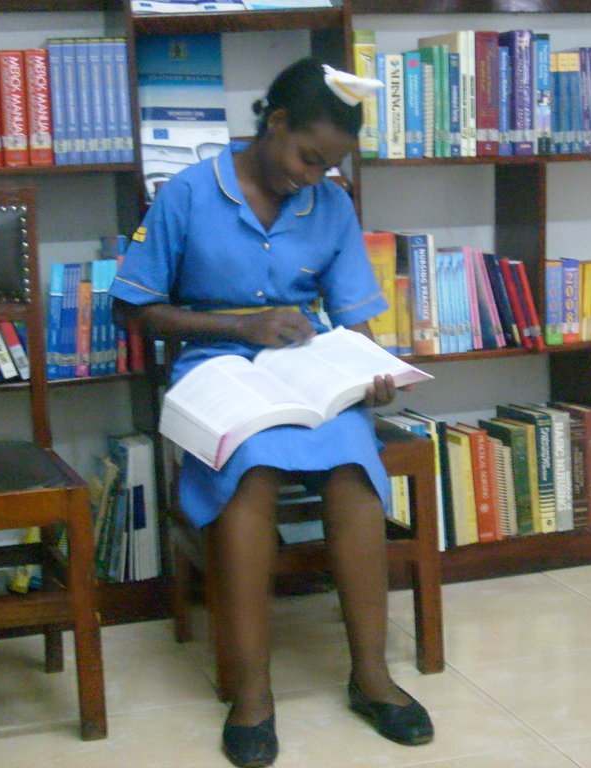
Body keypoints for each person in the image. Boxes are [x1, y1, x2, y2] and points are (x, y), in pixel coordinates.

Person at [109, 57, 433, 767]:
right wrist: (240, 326)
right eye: (306, 157)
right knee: (250, 470)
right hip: (214, 369)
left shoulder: (334, 205)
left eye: (329, 166)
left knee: (353, 466)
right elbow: (133, 308)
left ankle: (371, 677)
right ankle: (252, 694)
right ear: (274, 123)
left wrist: (370, 375)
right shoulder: (189, 195)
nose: (312, 177)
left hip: (305, 371)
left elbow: (352, 319)